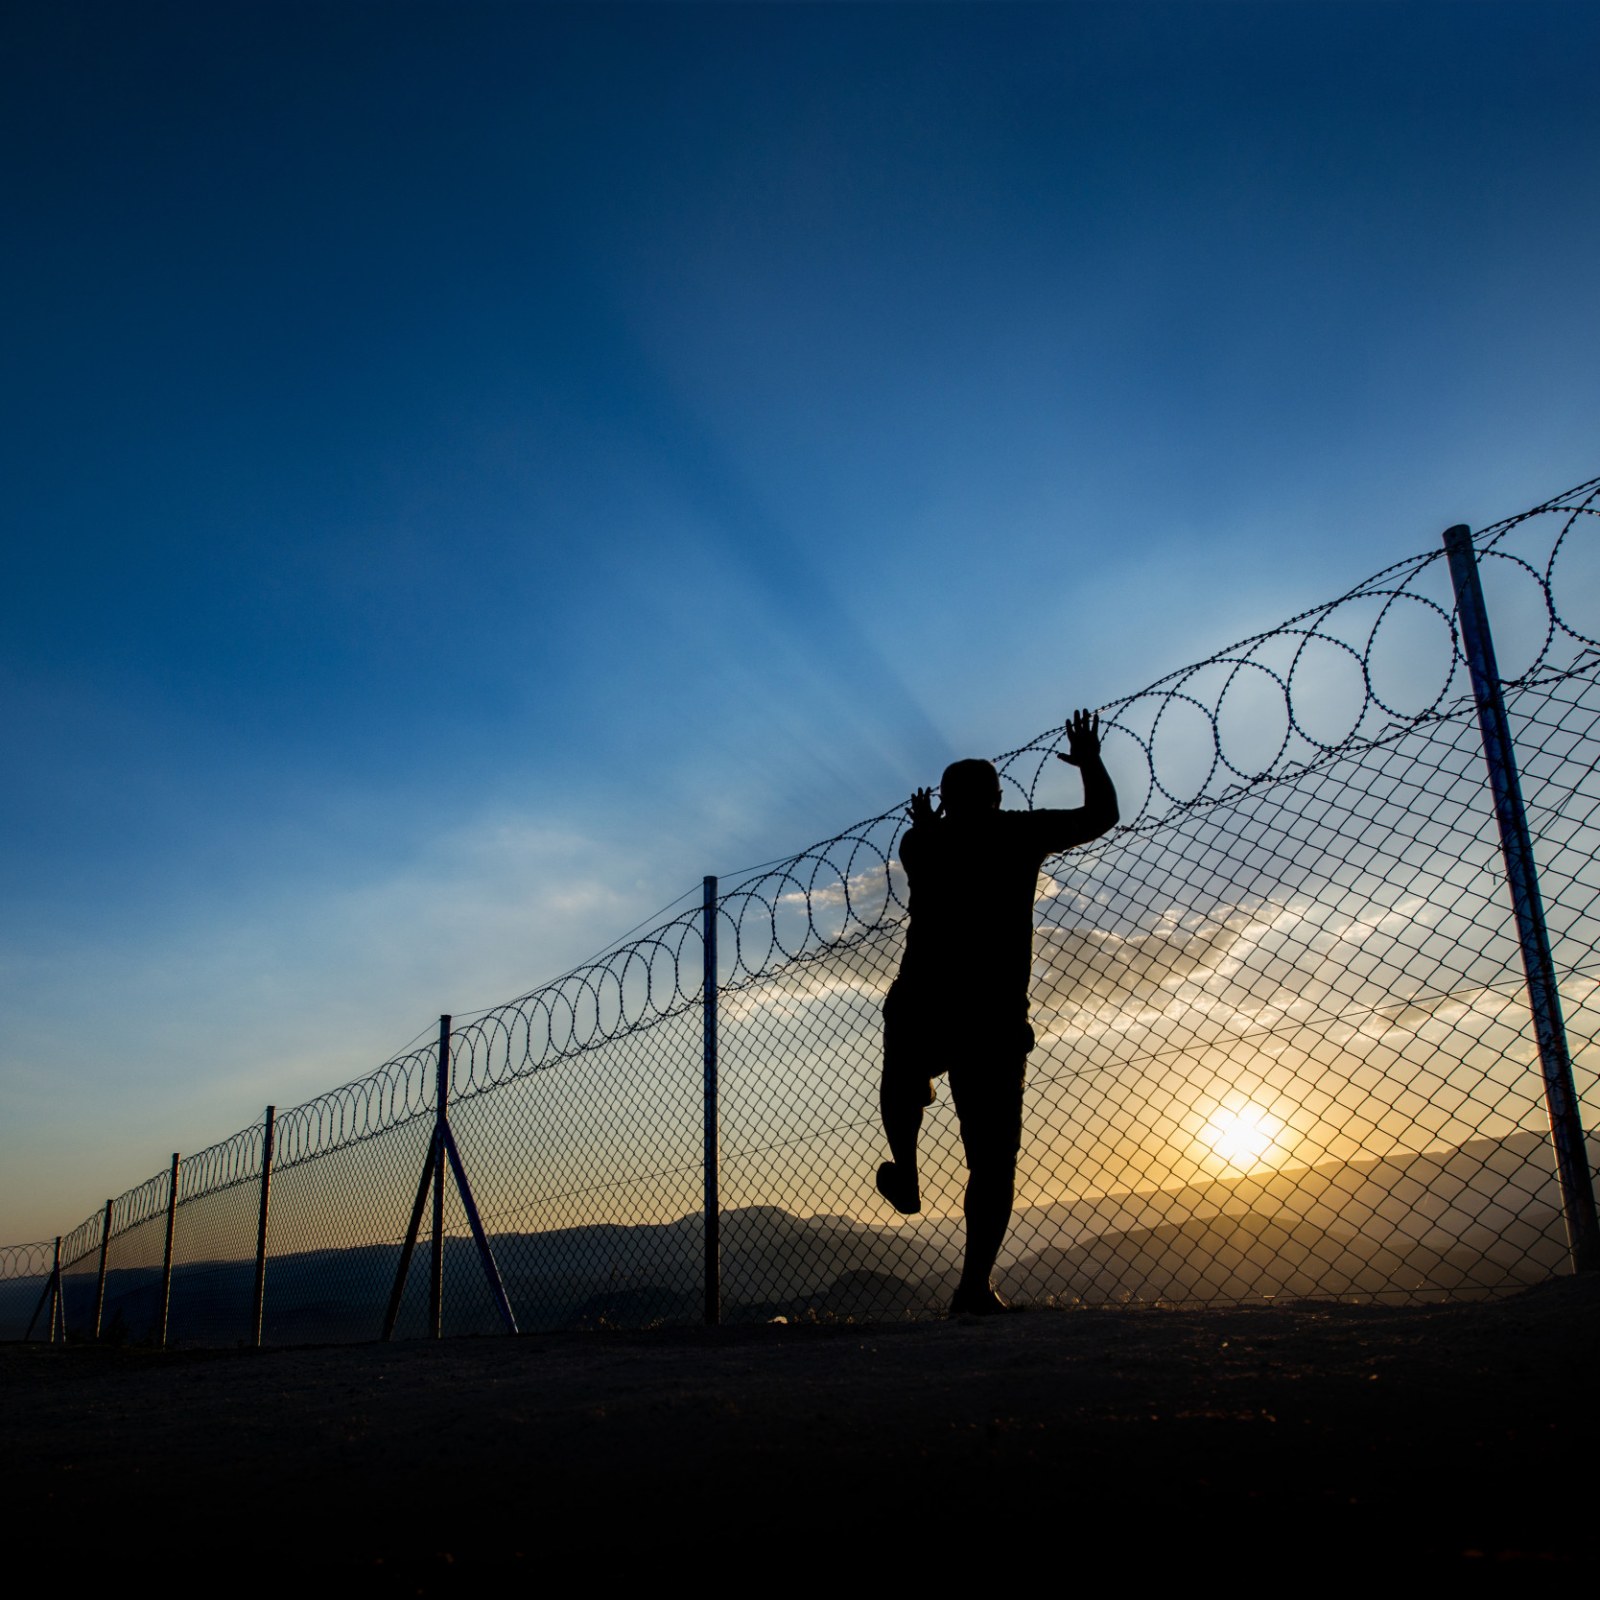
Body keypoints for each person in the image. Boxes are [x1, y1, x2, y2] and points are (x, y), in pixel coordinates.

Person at [877, 708, 1119, 1315]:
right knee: (991, 1158)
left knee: (904, 1070)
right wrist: (1088, 761)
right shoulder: (1016, 833)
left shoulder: (920, 844)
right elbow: (1101, 817)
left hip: (924, 1001)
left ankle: (904, 1167)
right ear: (997, 795)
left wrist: (929, 824)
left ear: (943, 798)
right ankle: (973, 1286)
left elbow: (924, 842)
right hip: (990, 1016)